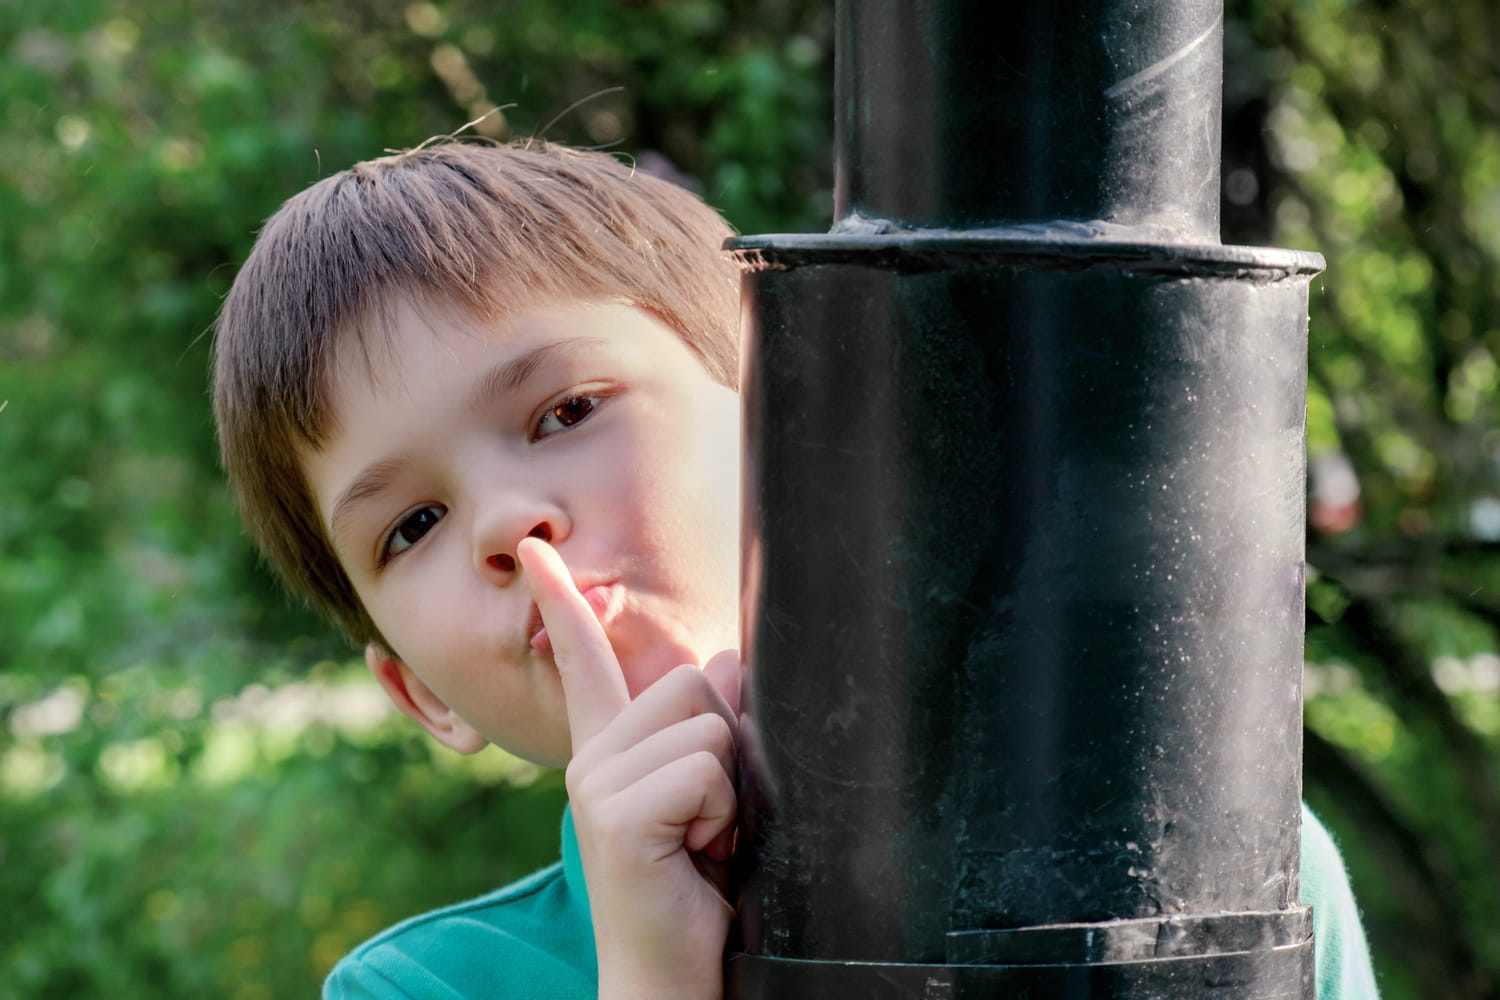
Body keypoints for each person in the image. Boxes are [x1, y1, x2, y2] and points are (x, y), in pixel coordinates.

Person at [212, 140, 1380, 999]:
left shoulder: (1221, 873)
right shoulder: (425, 987)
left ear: (786, 427)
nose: (508, 523)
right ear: (417, 692)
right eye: (412, 524)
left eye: (566, 409)